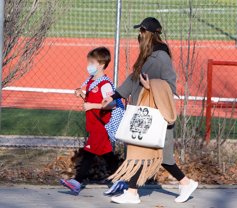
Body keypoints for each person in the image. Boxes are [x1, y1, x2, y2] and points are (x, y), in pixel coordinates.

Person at [102, 17, 198, 204]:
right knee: (142, 152)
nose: (139, 34)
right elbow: (133, 78)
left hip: (157, 114)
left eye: (142, 31)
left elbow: (170, 86)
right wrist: (114, 96)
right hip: (144, 112)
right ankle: (133, 193)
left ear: (150, 34)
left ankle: (184, 184)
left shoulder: (161, 57)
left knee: (160, 156)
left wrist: (150, 85)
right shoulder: (147, 54)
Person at [60, 47, 120, 195]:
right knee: (107, 155)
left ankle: (76, 182)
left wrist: (91, 105)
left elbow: (111, 104)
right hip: (93, 124)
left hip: (101, 125)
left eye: (92, 62)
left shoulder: (105, 84)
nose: (89, 65)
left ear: (101, 64)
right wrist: (81, 94)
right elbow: (91, 98)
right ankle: (122, 179)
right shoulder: (91, 81)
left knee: (88, 152)